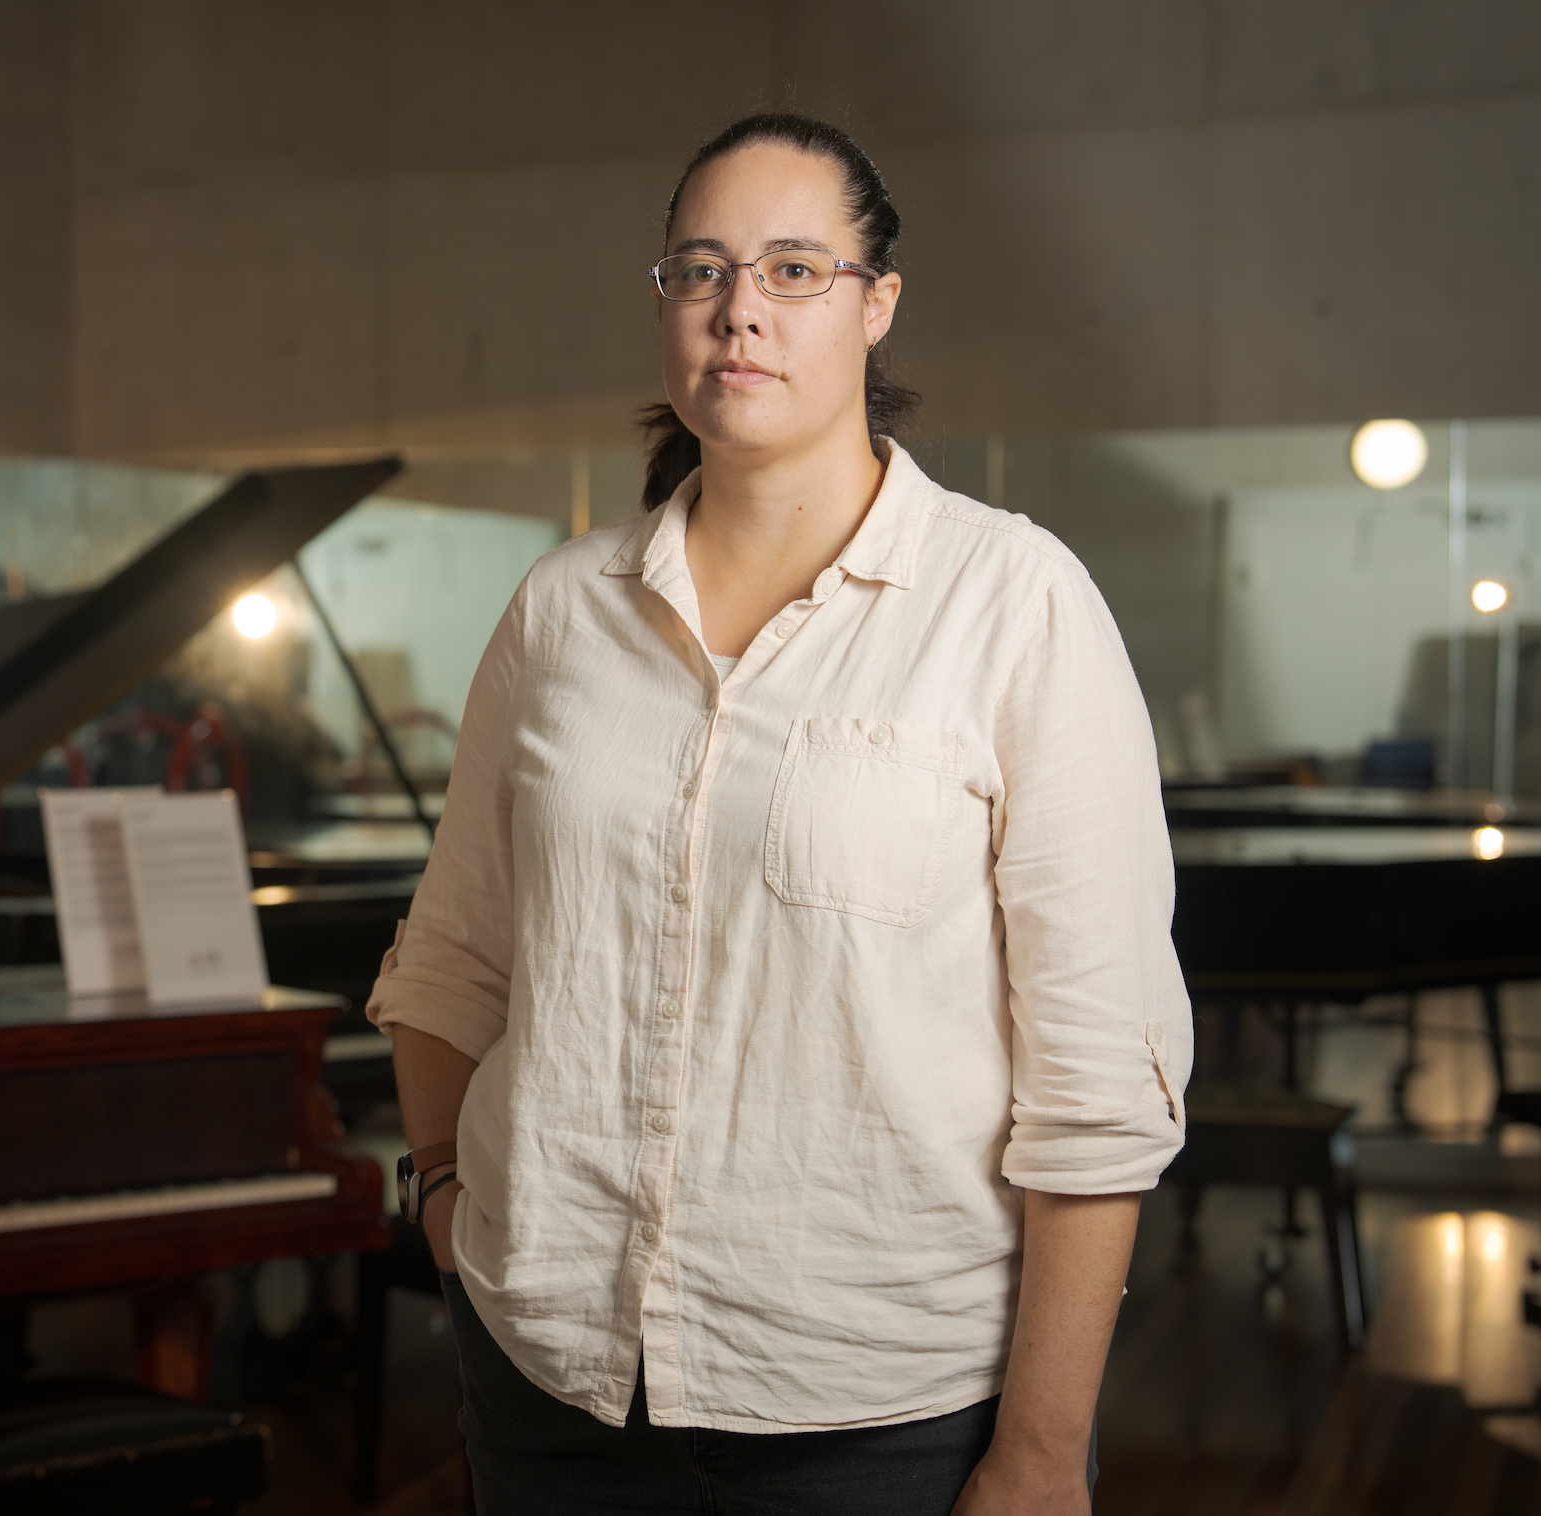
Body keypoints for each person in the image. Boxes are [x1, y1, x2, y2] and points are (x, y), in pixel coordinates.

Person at [367, 112, 1191, 1515]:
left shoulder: (1015, 602)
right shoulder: (560, 608)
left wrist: (1045, 1447)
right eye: (698, 269)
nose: (740, 307)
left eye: (795, 268)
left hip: (886, 1411)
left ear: (876, 305)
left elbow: (1099, 1076)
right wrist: (447, 1199)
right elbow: (453, 958)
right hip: (552, 1385)